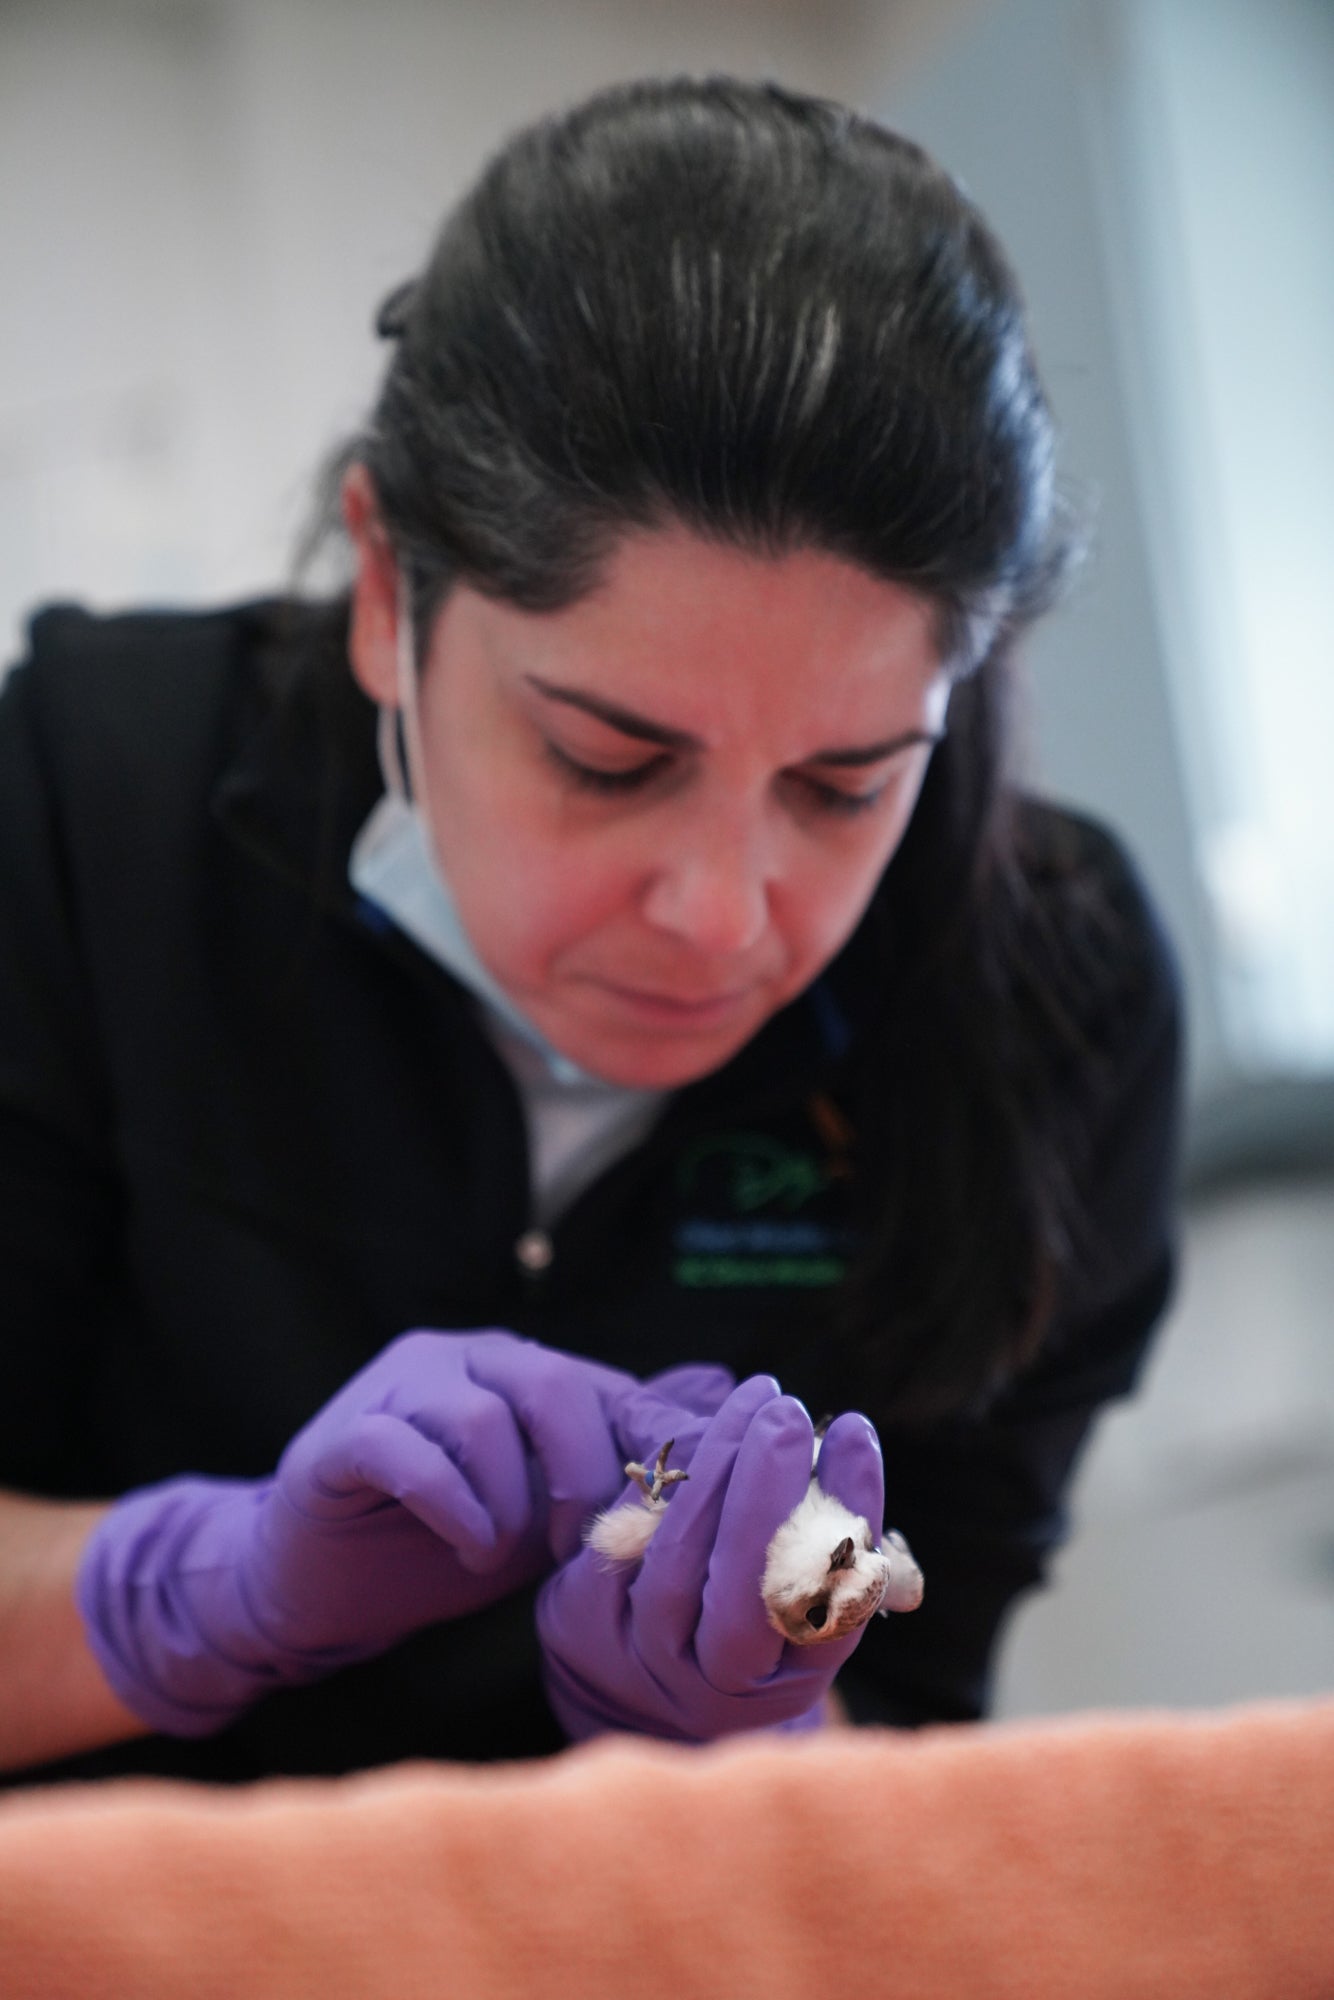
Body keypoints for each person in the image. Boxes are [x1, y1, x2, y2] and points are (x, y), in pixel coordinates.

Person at [0, 75, 1181, 1787]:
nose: (719, 916)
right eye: (604, 758)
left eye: (845, 785)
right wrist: (197, 1590)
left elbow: (918, 1751)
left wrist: (762, 1710)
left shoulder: (1049, 994)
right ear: (391, 591)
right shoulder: (87, 800)